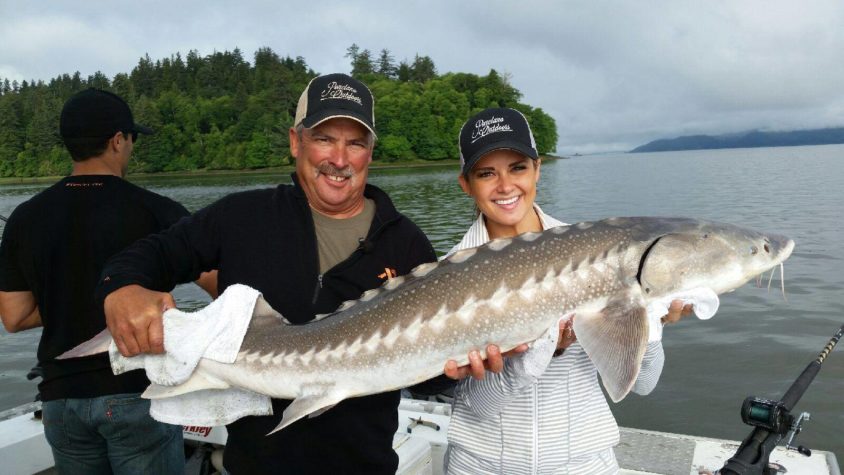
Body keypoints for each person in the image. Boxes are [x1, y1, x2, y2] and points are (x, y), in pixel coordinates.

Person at [94, 73, 460, 475]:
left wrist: (453, 369)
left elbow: (425, 381)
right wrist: (122, 287)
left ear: (369, 153)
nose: (339, 159)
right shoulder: (241, 217)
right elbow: (155, 253)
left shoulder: (405, 242)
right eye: (324, 138)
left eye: (354, 143)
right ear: (295, 142)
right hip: (255, 465)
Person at [442, 107, 690, 475]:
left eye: (518, 168)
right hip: (480, 467)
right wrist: (542, 352)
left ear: (538, 169)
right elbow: (477, 408)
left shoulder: (602, 255)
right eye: (486, 173)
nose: (506, 186)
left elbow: (644, 384)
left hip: (583, 465)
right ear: (466, 184)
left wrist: (651, 322)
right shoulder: (444, 280)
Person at [0, 88, 216, 474]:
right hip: (136, 393)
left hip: (60, 401)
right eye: (131, 139)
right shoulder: (157, 211)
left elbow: (14, 317)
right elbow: (220, 286)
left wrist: (71, 300)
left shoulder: (24, 218)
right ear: (118, 140)